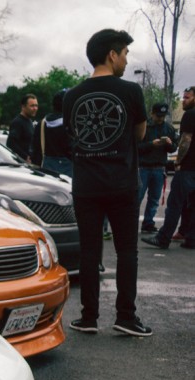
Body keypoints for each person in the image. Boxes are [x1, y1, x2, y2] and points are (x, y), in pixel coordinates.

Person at [64, 29, 149, 337]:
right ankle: (126, 317)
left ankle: (88, 318)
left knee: (89, 252)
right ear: (112, 55)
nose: (126, 60)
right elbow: (139, 136)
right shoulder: (131, 91)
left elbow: (74, 138)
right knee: (127, 251)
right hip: (122, 184)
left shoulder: (71, 96)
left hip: (86, 186)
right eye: (125, 53)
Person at [142, 86, 195, 251]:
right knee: (192, 205)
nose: (183, 100)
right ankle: (191, 238)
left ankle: (163, 238)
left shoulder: (190, 115)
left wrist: (178, 161)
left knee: (175, 203)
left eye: (187, 97)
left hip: (188, 168)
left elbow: (186, 140)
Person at [135, 103, 176, 232]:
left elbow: (174, 148)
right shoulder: (144, 127)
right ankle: (130, 222)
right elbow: (136, 147)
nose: (160, 119)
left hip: (159, 167)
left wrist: (169, 144)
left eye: (163, 116)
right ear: (152, 113)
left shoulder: (169, 129)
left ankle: (148, 223)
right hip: (143, 167)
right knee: (137, 197)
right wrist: (151, 145)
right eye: (158, 116)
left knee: (154, 198)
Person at [40, 90, 72, 177]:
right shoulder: (68, 123)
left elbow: (36, 148)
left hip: (47, 167)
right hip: (67, 169)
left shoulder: (42, 122)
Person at [7, 93, 39, 163]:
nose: (35, 108)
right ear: (23, 107)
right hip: (21, 164)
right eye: (32, 106)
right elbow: (10, 143)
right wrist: (25, 157)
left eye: (36, 106)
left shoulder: (29, 121)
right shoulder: (18, 122)